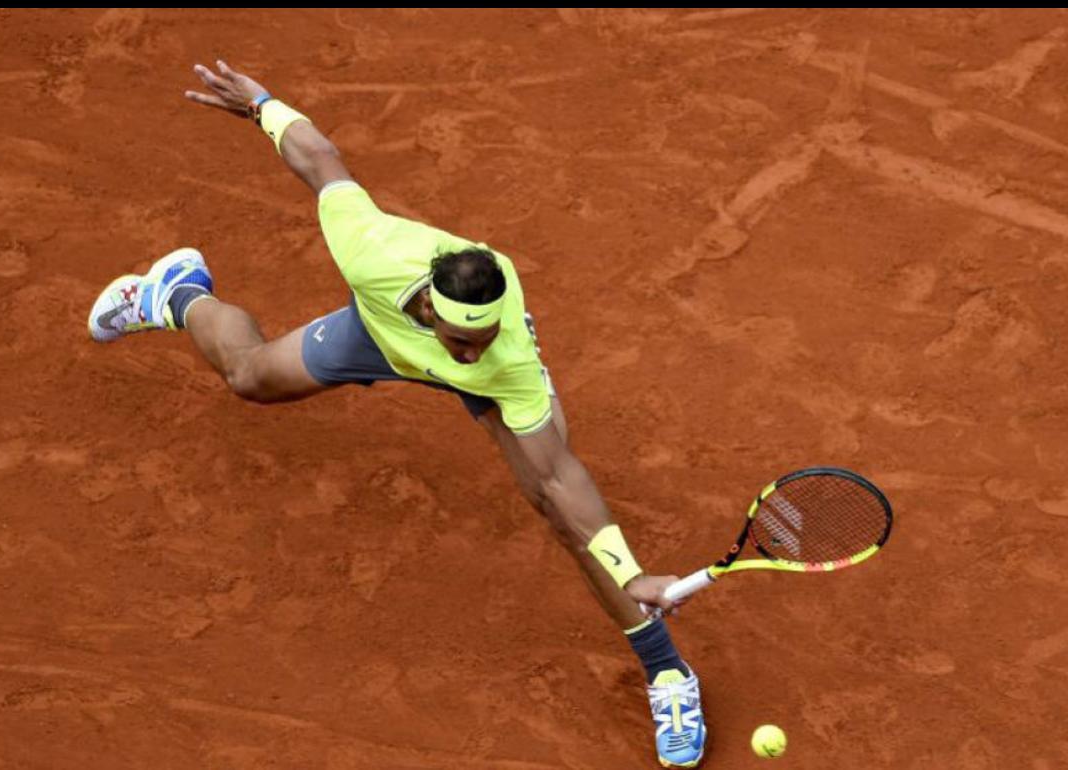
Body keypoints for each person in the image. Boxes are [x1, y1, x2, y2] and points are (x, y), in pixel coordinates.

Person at [86, 60, 707, 768]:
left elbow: (563, 476)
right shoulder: (372, 252)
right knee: (250, 377)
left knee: (556, 509)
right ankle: (176, 293)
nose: (472, 351)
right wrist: (262, 105)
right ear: (431, 306)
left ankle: (666, 673)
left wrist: (630, 572)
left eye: (484, 337)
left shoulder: (501, 359)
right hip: (381, 335)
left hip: (489, 389)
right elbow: (319, 159)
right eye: (462, 341)